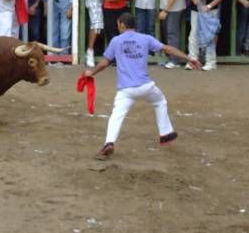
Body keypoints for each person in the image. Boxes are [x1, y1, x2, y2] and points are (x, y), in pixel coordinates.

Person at [86, 13, 201, 160]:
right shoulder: (145, 38)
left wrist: (91, 73)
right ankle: (166, 133)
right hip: (146, 86)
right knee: (160, 102)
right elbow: (167, 49)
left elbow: (104, 63)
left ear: (121, 24)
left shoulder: (116, 40)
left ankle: (109, 143)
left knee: (116, 116)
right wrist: (188, 58)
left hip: (126, 90)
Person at [183, 0, 226, 71]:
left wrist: (209, 5)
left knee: (210, 35)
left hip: (211, 11)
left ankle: (211, 62)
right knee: (193, 35)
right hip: (195, 10)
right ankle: (193, 60)